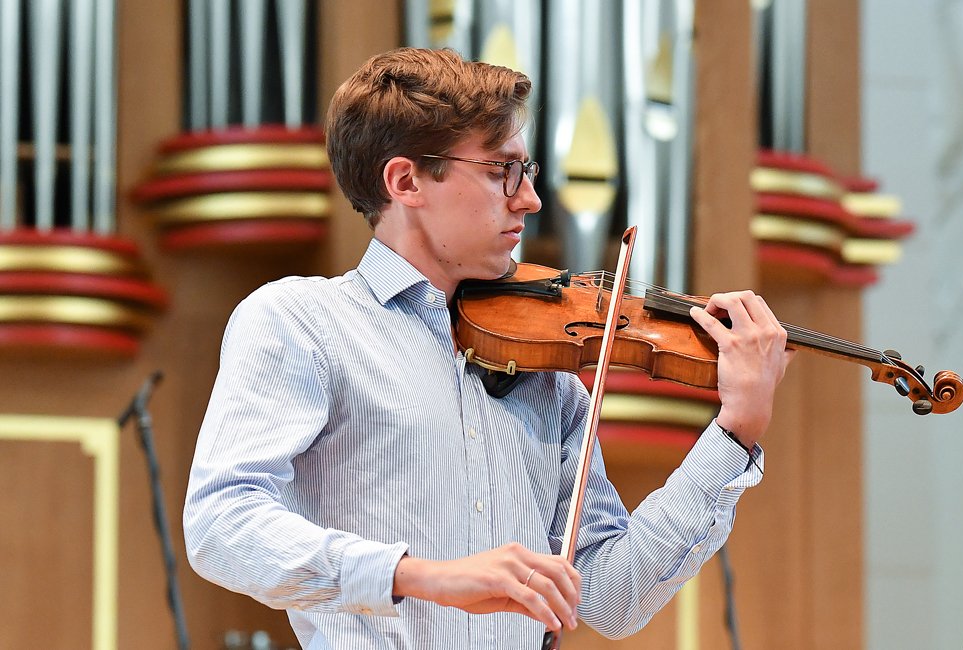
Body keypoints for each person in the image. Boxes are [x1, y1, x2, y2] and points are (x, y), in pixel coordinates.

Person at [183, 47, 792, 649]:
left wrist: (736, 429)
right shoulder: (301, 322)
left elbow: (611, 595)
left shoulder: (545, 373)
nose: (529, 199)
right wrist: (427, 577)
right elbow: (221, 523)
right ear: (406, 180)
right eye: (502, 171)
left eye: (524, 172)